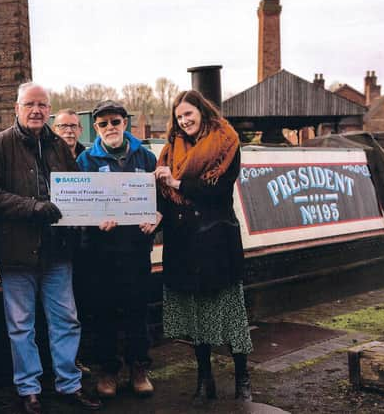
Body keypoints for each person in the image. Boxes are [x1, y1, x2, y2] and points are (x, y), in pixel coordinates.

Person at [0, 82, 102, 414]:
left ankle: (68, 384)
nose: (36, 110)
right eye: (30, 104)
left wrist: (97, 212)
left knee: (65, 319)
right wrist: (33, 207)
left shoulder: (60, 147)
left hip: (57, 251)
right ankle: (29, 388)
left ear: (49, 110)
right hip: (16, 252)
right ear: (17, 108)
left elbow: (78, 189)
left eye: (42, 105)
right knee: (21, 323)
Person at [153, 90, 253, 403]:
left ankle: (242, 379)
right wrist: (155, 214)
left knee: (231, 314)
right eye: (179, 117)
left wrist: (177, 183)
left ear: (202, 111)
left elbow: (219, 191)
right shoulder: (170, 150)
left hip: (216, 240)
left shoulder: (227, 143)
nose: (184, 122)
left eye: (188, 114)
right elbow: (164, 197)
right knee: (196, 317)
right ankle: (204, 379)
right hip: (184, 242)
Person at [76, 100, 161, 399]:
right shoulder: (85, 161)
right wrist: (94, 219)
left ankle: (139, 367)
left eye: (115, 121)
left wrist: (156, 218)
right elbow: (78, 208)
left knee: (138, 311)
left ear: (125, 123)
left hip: (137, 251)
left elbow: (159, 202)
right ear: (95, 128)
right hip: (100, 254)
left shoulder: (147, 157)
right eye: (103, 124)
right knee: (104, 314)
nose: (110, 127)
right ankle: (108, 371)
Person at [52, 108, 92, 375]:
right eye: (62, 126)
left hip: (90, 245)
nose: (68, 130)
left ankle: (84, 356)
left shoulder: (89, 157)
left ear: (80, 130)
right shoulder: (48, 154)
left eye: (73, 126)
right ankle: (69, 362)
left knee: (87, 303)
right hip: (59, 246)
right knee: (64, 309)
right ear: (54, 129)